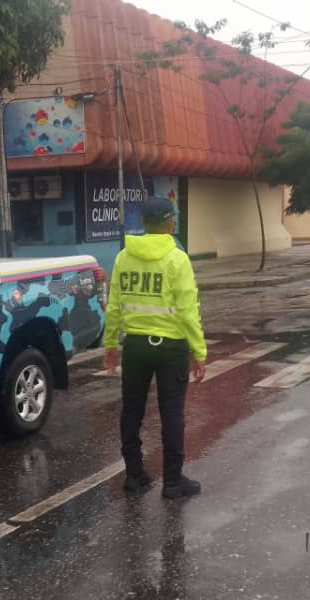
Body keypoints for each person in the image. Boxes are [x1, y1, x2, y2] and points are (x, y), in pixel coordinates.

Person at [103, 197, 207, 499]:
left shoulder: (124, 257)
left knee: (131, 412)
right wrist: (198, 352)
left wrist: (111, 343)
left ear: (144, 223)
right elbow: (189, 311)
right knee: (172, 414)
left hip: (135, 347)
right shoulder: (178, 259)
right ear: (169, 222)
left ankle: (134, 476)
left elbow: (115, 307)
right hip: (170, 348)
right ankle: (173, 482)